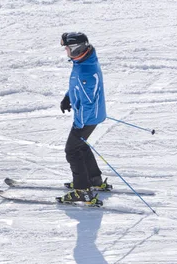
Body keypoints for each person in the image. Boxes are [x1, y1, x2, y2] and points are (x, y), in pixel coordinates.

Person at [59, 32, 107, 204]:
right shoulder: (84, 61)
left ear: (75, 49)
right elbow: (77, 86)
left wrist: (79, 123)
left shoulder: (85, 72)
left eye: (67, 48)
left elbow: (88, 104)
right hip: (92, 116)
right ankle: (94, 180)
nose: (66, 51)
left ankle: (83, 191)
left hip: (87, 118)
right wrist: (68, 97)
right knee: (80, 146)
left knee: (72, 151)